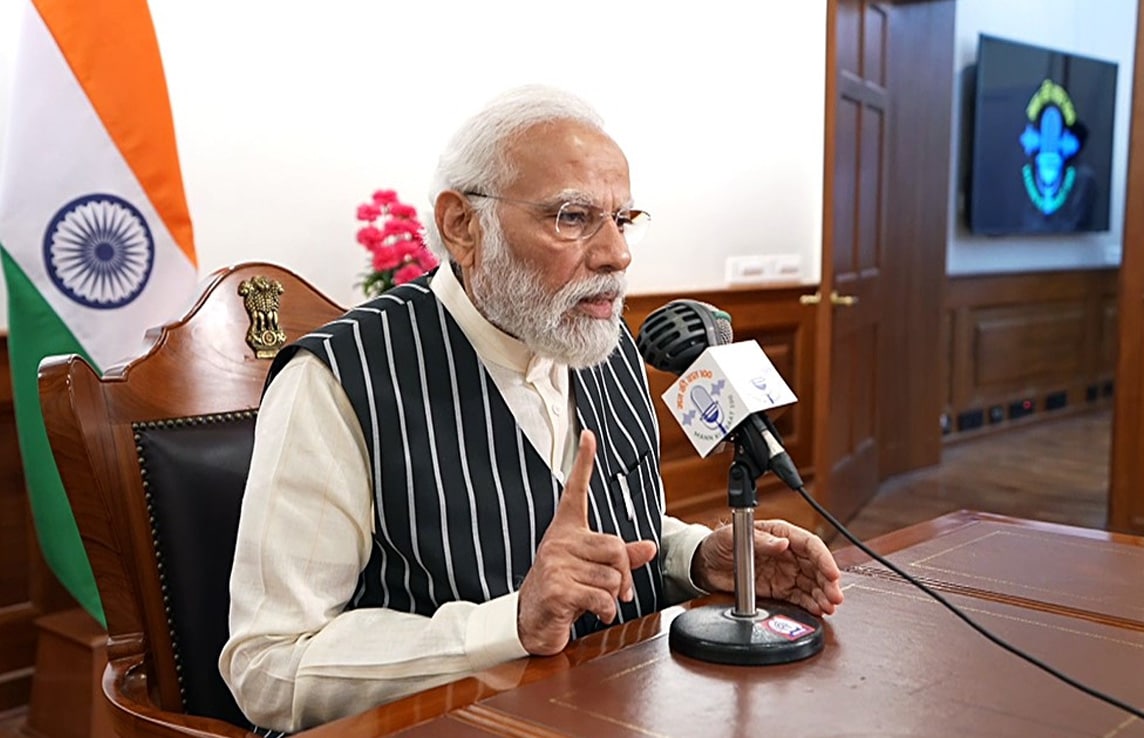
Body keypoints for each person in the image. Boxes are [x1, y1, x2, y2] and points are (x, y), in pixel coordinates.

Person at [219, 85, 844, 733]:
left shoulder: (606, 345)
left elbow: (613, 530)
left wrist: (698, 558)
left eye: (623, 219)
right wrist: (511, 624)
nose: (617, 254)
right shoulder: (339, 379)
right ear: (462, 226)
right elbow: (268, 667)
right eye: (572, 217)